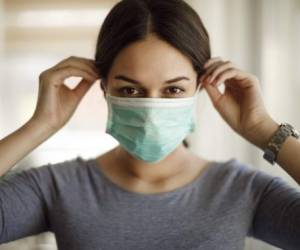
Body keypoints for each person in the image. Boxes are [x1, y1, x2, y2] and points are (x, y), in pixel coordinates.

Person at [0, 0, 299, 249]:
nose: (152, 108)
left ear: (199, 87)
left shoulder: (242, 190)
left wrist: (263, 129)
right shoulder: (56, 188)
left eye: (173, 90)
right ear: (104, 88)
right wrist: (40, 125)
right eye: (130, 90)